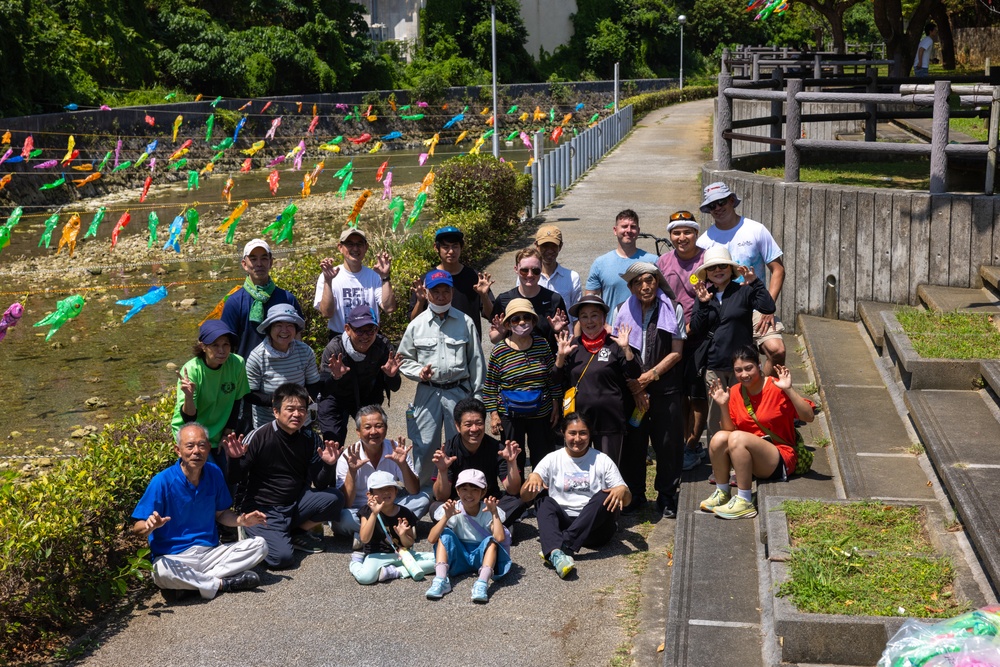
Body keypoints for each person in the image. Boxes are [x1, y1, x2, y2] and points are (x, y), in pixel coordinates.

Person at [131, 423, 269, 601]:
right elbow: (137, 527)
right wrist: (149, 526)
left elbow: (221, 514)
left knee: (260, 545)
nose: (197, 451)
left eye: (202, 445)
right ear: (178, 450)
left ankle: (191, 585)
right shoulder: (162, 481)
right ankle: (221, 584)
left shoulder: (214, 472)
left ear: (208, 448)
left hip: (209, 553)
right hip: (174, 557)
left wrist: (241, 521)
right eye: (190, 446)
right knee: (160, 571)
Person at [223, 383, 344, 569]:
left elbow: (320, 484)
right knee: (282, 559)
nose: (297, 414)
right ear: (276, 412)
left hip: (295, 504)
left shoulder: (310, 438)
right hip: (263, 510)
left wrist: (329, 465)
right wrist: (233, 459)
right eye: (290, 409)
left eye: (302, 409)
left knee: (335, 498)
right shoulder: (258, 437)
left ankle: (294, 532)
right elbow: (234, 479)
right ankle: (255, 531)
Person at [699, 346, 814, 519]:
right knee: (719, 438)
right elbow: (728, 434)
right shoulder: (736, 391)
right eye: (738, 370)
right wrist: (723, 404)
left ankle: (744, 501)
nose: (744, 374)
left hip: (780, 457)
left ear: (759, 365)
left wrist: (789, 389)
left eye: (748, 368)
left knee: (737, 437)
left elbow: (809, 416)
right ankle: (722, 492)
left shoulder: (776, 388)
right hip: (749, 456)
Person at [398, 269, 485, 490]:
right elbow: (403, 359)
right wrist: (419, 372)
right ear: (426, 293)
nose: (441, 296)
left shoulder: (465, 322)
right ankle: (425, 492)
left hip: (459, 391)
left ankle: (464, 488)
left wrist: (477, 397)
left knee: (463, 442)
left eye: (446, 291)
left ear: (452, 293)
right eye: (435, 291)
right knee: (425, 444)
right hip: (428, 392)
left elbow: (476, 361)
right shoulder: (416, 325)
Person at [612, 262, 685, 518]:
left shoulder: (672, 308)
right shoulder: (620, 310)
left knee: (668, 444)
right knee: (634, 444)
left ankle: (666, 497)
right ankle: (635, 495)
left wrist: (650, 376)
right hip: (632, 390)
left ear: (657, 282)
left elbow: (677, 352)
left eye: (650, 280)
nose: (646, 286)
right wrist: (636, 388)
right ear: (631, 287)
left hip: (666, 388)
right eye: (639, 282)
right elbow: (618, 351)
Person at [520, 413, 631, 579]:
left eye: (583, 433)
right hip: (564, 523)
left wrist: (623, 491)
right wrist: (532, 478)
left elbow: (626, 499)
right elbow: (525, 497)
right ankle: (558, 552)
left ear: (590, 434)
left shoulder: (602, 460)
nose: (577, 438)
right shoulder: (552, 459)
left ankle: (560, 547)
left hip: (595, 529)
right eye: (572, 433)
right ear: (563, 433)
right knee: (544, 501)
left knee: (603, 496)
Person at [689, 245, 777, 448]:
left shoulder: (744, 291)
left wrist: (755, 283)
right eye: (712, 268)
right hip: (714, 365)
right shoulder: (703, 295)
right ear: (707, 274)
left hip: (742, 367)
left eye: (723, 266)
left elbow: (768, 306)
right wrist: (702, 304)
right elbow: (696, 327)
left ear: (731, 269)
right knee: (716, 417)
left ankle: (746, 457)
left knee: (746, 412)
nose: (718, 270)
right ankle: (719, 462)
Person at [697, 182, 786, 377]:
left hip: (755, 306)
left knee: (777, 350)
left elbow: (777, 269)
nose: (718, 208)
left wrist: (767, 309)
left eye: (721, 202)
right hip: (721, 307)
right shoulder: (704, 240)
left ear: (731, 200)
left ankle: (765, 395)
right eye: (712, 205)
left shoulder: (756, 229)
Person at [554, 295, 640, 465]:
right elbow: (555, 379)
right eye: (584, 316)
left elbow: (634, 373)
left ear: (603, 318)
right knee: (578, 469)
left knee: (608, 470)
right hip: (578, 422)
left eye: (594, 315)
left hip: (609, 420)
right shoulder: (572, 346)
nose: (589, 321)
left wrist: (627, 349)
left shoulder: (615, 344)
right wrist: (560, 357)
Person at [483, 299, 562, 472]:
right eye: (516, 319)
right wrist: (494, 414)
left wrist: (556, 402)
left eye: (526, 318)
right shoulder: (499, 351)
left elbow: (552, 377)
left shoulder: (542, 345)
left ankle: (541, 493)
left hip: (541, 411)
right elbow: (490, 386)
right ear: (508, 324)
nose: (521, 322)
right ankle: (516, 495)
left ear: (533, 321)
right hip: (510, 414)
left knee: (543, 456)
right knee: (513, 458)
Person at [656, 211, 709, 471]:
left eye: (687, 231)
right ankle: (682, 440)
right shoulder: (662, 262)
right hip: (672, 337)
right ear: (670, 236)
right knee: (678, 394)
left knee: (698, 393)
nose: (682, 237)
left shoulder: (708, 259)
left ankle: (692, 444)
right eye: (676, 233)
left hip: (701, 337)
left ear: (696, 234)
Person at [332, 405, 427, 539]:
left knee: (423, 499)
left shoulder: (396, 449)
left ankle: (366, 535)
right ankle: (397, 530)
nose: (374, 431)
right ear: (358, 432)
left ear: (386, 429)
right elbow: (346, 503)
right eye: (367, 427)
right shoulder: (348, 456)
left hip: (390, 506)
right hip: (361, 510)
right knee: (342, 518)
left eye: (378, 426)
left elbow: (413, 490)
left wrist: (403, 464)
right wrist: (352, 472)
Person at [171, 320, 250, 474]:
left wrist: (227, 433)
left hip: (219, 431)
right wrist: (188, 396)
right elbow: (188, 420)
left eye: (226, 345)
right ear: (203, 346)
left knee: (228, 477)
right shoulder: (192, 370)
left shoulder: (236, 363)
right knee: (209, 475)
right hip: (192, 431)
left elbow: (237, 400)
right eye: (215, 345)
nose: (222, 350)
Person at [432, 398, 525, 527]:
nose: (474, 429)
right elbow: (441, 497)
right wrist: (442, 471)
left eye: (479, 423)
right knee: (435, 507)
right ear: (458, 426)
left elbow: (513, 490)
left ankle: (467, 528)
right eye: (468, 424)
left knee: (518, 500)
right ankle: (490, 526)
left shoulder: (497, 448)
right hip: (459, 504)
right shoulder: (447, 450)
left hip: (488, 503)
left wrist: (512, 463)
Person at [317, 305, 402, 446]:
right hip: (335, 396)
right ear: (348, 329)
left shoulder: (383, 347)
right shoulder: (334, 349)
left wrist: (391, 376)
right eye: (359, 331)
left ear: (377, 328)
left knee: (373, 436)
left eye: (370, 331)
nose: (365, 336)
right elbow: (324, 390)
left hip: (366, 394)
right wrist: (335, 377)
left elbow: (396, 387)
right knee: (333, 444)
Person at [425, 469, 511, 603]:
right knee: (445, 534)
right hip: (459, 555)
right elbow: (431, 539)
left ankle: (482, 583)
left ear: (483, 492)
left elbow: (499, 538)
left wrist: (494, 513)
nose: (469, 494)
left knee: (491, 541)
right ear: (458, 491)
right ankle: (441, 580)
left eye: (475, 490)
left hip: (481, 555)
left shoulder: (488, 510)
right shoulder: (453, 508)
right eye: (464, 489)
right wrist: (446, 517)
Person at [221, 238, 304, 360]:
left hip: (284, 371)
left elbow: (297, 337)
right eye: (253, 259)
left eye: (264, 258)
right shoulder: (234, 302)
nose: (259, 264)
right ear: (244, 264)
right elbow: (226, 343)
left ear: (271, 262)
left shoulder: (287, 298)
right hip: (245, 374)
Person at [349, 470, 436, 585]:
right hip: (377, 555)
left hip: (403, 554)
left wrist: (403, 535)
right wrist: (374, 514)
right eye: (380, 489)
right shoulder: (367, 511)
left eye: (390, 488)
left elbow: (409, 544)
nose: (386, 492)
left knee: (439, 561)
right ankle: (356, 562)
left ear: (396, 491)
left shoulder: (405, 512)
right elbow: (364, 539)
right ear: (370, 495)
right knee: (365, 578)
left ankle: (395, 571)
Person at [245, 304, 321, 429]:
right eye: (278, 325)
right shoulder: (257, 356)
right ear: (269, 329)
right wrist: (280, 401)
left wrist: (301, 402)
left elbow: (313, 384)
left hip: (301, 421)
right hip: (268, 424)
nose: (284, 331)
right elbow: (249, 394)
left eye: (290, 325)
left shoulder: (305, 351)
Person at [409, 225, 495, 337]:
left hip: (467, 342)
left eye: (455, 246)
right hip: (435, 343)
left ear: (461, 247)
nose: (451, 251)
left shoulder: (474, 278)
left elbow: (491, 316)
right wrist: (420, 302)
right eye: (445, 247)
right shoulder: (427, 280)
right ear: (436, 247)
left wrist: (484, 296)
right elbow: (413, 321)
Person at [314, 228, 395, 340]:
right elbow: (326, 313)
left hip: (370, 337)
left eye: (359, 244)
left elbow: (389, 308)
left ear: (366, 248)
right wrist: (328, 282)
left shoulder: (374, 276)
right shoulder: (328, 275)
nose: (355, 248)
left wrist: (385, 277)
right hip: (340, 338)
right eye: (350, 244)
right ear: (340, 247)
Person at [490, 246, 568, 352]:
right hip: (515, 363)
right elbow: (493, 338)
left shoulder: (554, 299)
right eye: (524, 270)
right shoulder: (504, 300)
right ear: (516, 269)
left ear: (541, 269)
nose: (530, 275)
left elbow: (565, 336)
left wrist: (558, 330)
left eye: (535, 270)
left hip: (546, 362)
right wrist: (502, 331)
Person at [584, 209, 658, 313]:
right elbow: (590, 300)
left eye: (633, 227)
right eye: (624, 226)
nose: (628, 230)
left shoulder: (653, 261)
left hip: (646, 327)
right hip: (612, 327)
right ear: (615, 230)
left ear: (638, 230)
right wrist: (604, 325)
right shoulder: (600, 263)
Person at [533, 225, 582, 320]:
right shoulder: (528, 277)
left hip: (566, 334)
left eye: (554, 246)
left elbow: (577, 316)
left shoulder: (572, 277)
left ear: (560, 246)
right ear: (537, 246)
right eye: (545, 246)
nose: (550, 250)